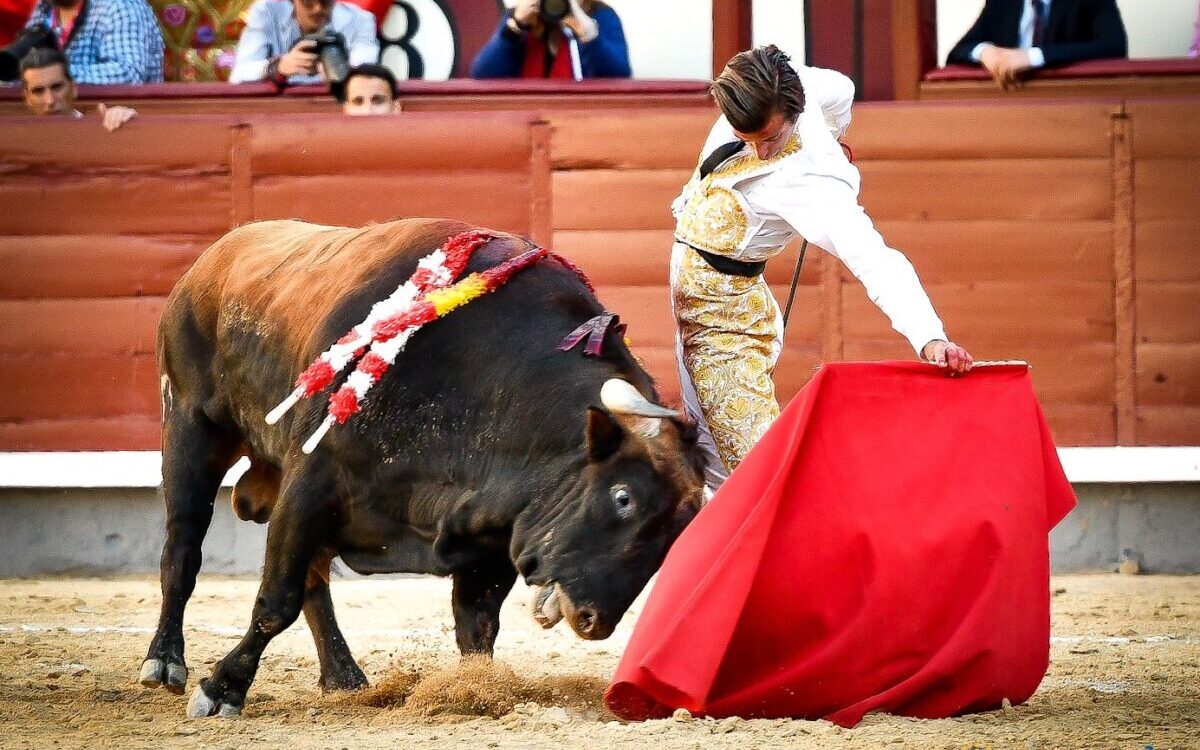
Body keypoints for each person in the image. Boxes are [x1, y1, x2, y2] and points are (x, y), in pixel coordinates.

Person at [671, 45, 973, 490]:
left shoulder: (815, 179)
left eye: (769, 139)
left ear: (794, 111)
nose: (757, 152)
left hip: (723, 315)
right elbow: (843, 89)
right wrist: (836, 128)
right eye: (745, 137)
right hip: (700, 286)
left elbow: (873, 258)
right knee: (714, 448)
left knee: (747, 473)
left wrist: (929, 336)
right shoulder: (770, 85)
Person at [946, 0, 1127, 90]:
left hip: (1069, 107)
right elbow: (957, 51)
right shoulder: (1001, 3)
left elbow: (1114, 46)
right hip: (1009, 107)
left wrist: (1034, 57)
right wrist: (986, 52)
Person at [229, 0, 378, 86]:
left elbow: (365, 73)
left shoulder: (361, 20)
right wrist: (278, 67)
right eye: (308, 2)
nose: (317, 9)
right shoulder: (267, 12)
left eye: (325, 2)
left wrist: (340, 71)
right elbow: (239, 74)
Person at [470, 0, 630, 79]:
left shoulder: (601, 16)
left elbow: (619, 75)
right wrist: (514, 27)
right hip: (528, 119)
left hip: (582, 120)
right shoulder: (522, 19)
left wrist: (588, 33)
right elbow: (483, 73)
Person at [22, 0, 163, 83]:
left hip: (116, 126)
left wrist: (53, 74)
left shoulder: (120, 6)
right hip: (59, 121)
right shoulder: (45, 8)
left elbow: (127, 74)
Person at [20, 47, 137, 130]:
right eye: (38, 91)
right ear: (27, 98)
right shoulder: (19, 139)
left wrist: (126, 120)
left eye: (57, 87)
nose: (50, 100)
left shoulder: (100, 128)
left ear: (74, 88)